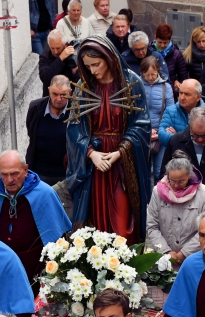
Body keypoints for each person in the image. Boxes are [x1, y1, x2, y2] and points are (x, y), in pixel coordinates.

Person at [66, 36, 151, 244]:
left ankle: (125, 269)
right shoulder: (84, 87)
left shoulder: (132, 83)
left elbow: (142, 125)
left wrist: (120, 151)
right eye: (88, 66)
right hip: (94, 166)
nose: (93, 70)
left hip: (121, 162)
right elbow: (73, 127)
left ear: (109, 58)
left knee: (122, 226)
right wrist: (91, 153)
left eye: (96, 64)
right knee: (94, 224)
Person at [0, 150, 72, 294]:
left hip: (34, 267)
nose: (10, 179)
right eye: (4, 174)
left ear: (25, 170)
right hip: (1, 265)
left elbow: (58, 238)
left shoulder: (44, 193)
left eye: (14, 173)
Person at [146, 150, 205, 264]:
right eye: (172, 180)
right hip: (164, 261)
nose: (175, 185)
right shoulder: (157, 192)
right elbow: (152, 226)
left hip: (195, 260)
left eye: (181, 181)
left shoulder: (204, 193)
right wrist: (166, 251)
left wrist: (185, 253)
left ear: (189, 175)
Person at [27, 76, 72, 187]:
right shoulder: (35, 107)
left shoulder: (77, 111)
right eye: (55, 94)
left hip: (66, 175)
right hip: (38, 173)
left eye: (63, 95)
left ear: (70, 93)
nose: (58, 99)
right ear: (48, 90)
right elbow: (30, 132)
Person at [141, 56, 175, 181]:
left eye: (153, 74)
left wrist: (160, 131)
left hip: (160, 134)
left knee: (159, 172)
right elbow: (133, 111)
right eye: (147, 75)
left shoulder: (166, 87)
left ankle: (158, 199)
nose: (150, 78)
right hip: (142, 133)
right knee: (143, 173)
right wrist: (147, 130)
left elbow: (170, 111)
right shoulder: (137, 86)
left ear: (158, 72)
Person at [158, 79, 205, 150]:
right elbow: (162, 136)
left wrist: (177, 136)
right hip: (176, 157)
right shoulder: (170, 111)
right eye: (180, 93)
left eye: (187, 94)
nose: (182, 97)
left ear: (198, 97)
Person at [39, 30, 80, 97]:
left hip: (71, 98)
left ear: (66, 44)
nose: (55, 52)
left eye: (58, 48)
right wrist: (61, 58)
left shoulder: (74, 55)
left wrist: (75, 72)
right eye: (52, 48)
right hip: (51, 98)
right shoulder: (45, 57)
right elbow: (45, 78)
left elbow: (80, 81)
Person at [153, 23, 188, 93]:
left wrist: (177, 82)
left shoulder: (176, 54)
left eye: (165, 43)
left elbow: (183, 77)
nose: (162, 45)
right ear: (155, 37)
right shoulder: (150, 51)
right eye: (159, 42)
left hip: (170, 91)